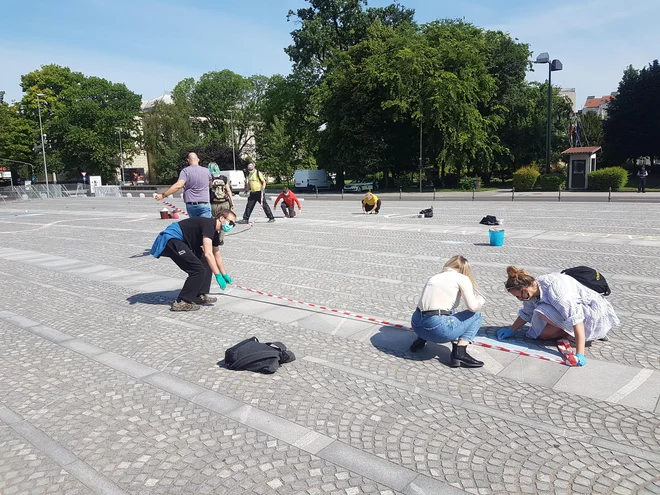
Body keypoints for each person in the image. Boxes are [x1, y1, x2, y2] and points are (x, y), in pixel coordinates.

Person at [498, 266, 620, 367]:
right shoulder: (531, 290)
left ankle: (587, 334)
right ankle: (571, 334)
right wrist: (511, 330)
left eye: (519, 296)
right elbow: (526, 313)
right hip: (571, 311)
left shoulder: (557, 293)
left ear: (525, 288)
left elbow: (576, 320)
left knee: (541, 311)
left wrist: (580, 354)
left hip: (591, 312)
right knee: (542, 335)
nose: (519, 299)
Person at [150, 210, 236, 311]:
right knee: (197, 269)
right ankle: (182, 301)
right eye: (230, 222)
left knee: (204, 260)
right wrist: (217, 275)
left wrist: (224, 274)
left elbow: (217, 255)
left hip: (182, 241)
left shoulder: (215, 233)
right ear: (221, 218)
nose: (231, 226)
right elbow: (209, 253)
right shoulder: (209, 224)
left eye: (233, 225)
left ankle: (198, 295)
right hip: (172, 238)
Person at [409, 255, 486, 368]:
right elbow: (473, 307)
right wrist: (480, 301)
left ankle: (421, 340)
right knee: (477, 316)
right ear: (465, 270)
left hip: (416, 324)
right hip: (436, 329)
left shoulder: (435, 277)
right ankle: (460, 352)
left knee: (448, 311)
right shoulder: (463, 278)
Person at [155, 152, 212, 217]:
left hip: (191, 204)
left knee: (194, 226)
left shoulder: (185, 171)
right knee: (206, 225)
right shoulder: (207, 171)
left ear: (188, 160)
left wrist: (163, 195)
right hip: (204, 203)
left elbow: (178, 185)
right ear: (198, 159)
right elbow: (210, 185)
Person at [208, 165, 234, 245]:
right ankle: (220, 239)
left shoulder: (210, 178)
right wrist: (232, 202)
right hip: (224, 203)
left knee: (214, 221)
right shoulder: (224, 178)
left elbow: (208, 190)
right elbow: (228, 191)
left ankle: (214, 238)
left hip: (214, 204)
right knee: (224, 221)